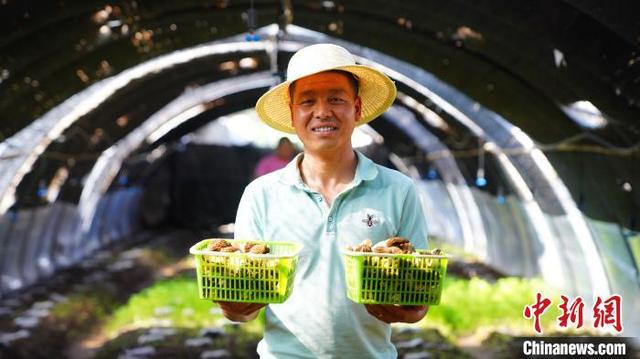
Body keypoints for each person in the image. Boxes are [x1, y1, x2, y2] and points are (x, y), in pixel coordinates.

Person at [218, 43, 429, 358]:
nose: (322, 112)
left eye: (336, 99)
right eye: (307, 101)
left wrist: (408, 311)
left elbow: (418, 298)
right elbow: (244, 305)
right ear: (292, 113)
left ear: (356, 109)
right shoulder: (262, 194)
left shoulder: (398, 189)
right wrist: (235, 308)